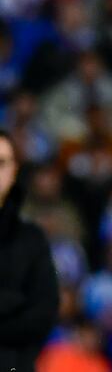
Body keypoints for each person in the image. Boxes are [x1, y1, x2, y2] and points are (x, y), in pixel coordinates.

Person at [0, 129, 60, 372]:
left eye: (2, 163)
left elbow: (43, 315)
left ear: (15, 170)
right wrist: (12, 303)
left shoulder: (32, 239)